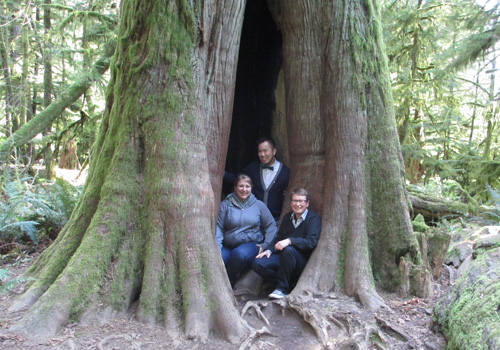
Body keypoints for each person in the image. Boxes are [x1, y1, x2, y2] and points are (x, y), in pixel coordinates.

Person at [252, 188, 321, 299]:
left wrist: (290, 241)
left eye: (301, 201)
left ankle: (282, 289)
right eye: (295, 201)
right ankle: (288, 282)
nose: (297, 204)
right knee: (258, 263)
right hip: (283, 258)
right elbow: (279, 238)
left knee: (289, 250)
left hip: (300, 260)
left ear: (307, 203)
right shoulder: (287, 217)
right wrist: (269, 250)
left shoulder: (313, 219)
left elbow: (311, 242)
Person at [216, 174, 278, 287]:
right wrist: (218, 247)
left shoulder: (259, 205)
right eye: (241, 186)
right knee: (220, 260)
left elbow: (271, 225)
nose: (244, 189)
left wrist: (265, 245)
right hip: (228, 245)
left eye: (247, 186)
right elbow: (219, 227)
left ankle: (229, 285)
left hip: (251, 244)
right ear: (235, 187)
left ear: (251, 188)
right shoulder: (225, 205)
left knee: (239, 254)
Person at [225, 137, 290, 220]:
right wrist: (222, 174)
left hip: (275, 220)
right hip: (253, 220)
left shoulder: (285, 172)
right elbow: (237, 179)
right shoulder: (253, 168)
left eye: (265, 150)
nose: (262, 154)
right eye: (260, 151)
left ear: (274, 151)